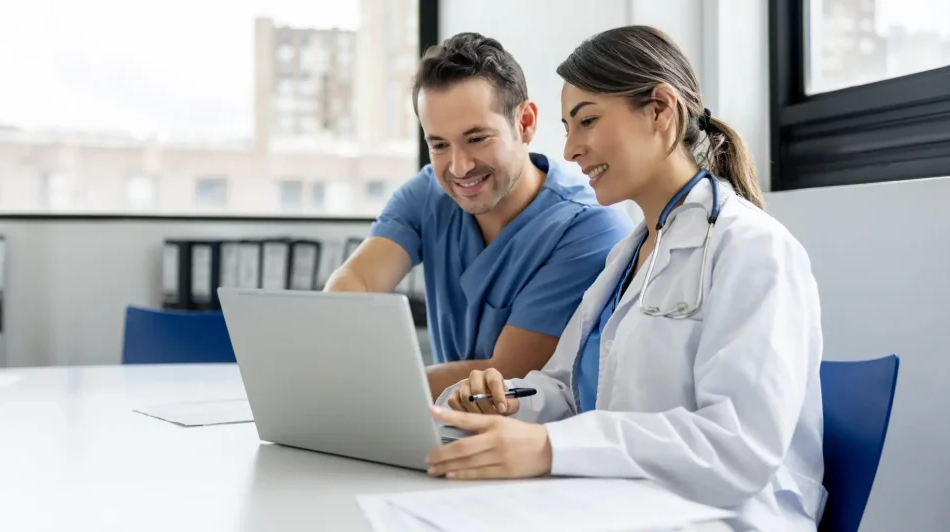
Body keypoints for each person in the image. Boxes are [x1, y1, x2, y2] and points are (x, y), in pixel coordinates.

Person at [425, 26, 827, 532]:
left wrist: (550, 447)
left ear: (660, 109)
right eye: (568, 128)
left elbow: (739, 447)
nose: (570, 149)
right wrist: (500, 402)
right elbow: (569, 393)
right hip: (620, 507)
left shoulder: (753, 248)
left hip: (724, 518)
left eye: (587, 121)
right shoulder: (629, 254)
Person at [324, 32, 634, 400]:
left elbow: (505, 371)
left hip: (534, 441)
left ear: (526, 123)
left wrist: (364, 382)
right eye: (438, 144)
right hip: (444, 428)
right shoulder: (428, 195)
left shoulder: (589, 227)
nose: (459, 167)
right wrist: (332, 347)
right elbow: (357, 280)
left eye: (476, 138)